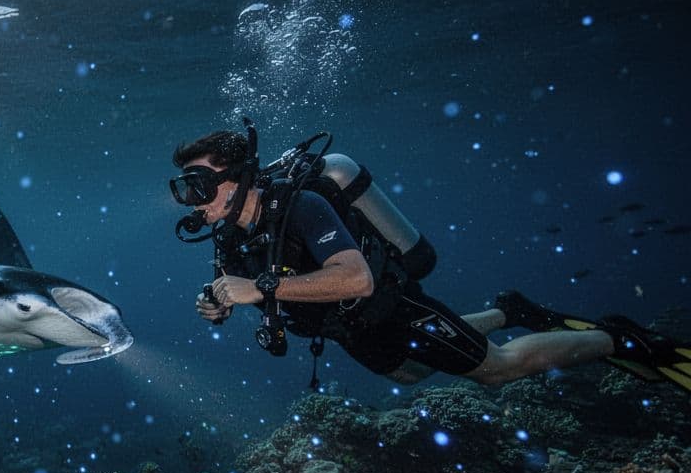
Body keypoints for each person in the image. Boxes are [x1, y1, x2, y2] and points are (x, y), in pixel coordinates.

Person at [168, 126, 691, 391]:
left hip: (389, 310)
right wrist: (218, 305)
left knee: (497, 370)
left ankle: (621, 338)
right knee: (412, 375)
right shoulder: (229, 235)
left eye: (198, 185)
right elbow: (237, 287)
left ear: (237, 177)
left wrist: (263, 289)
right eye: (184, 188)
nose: (191, 200)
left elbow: (355, 279)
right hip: (348, 331)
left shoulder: (301, 207)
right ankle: (510, 311)